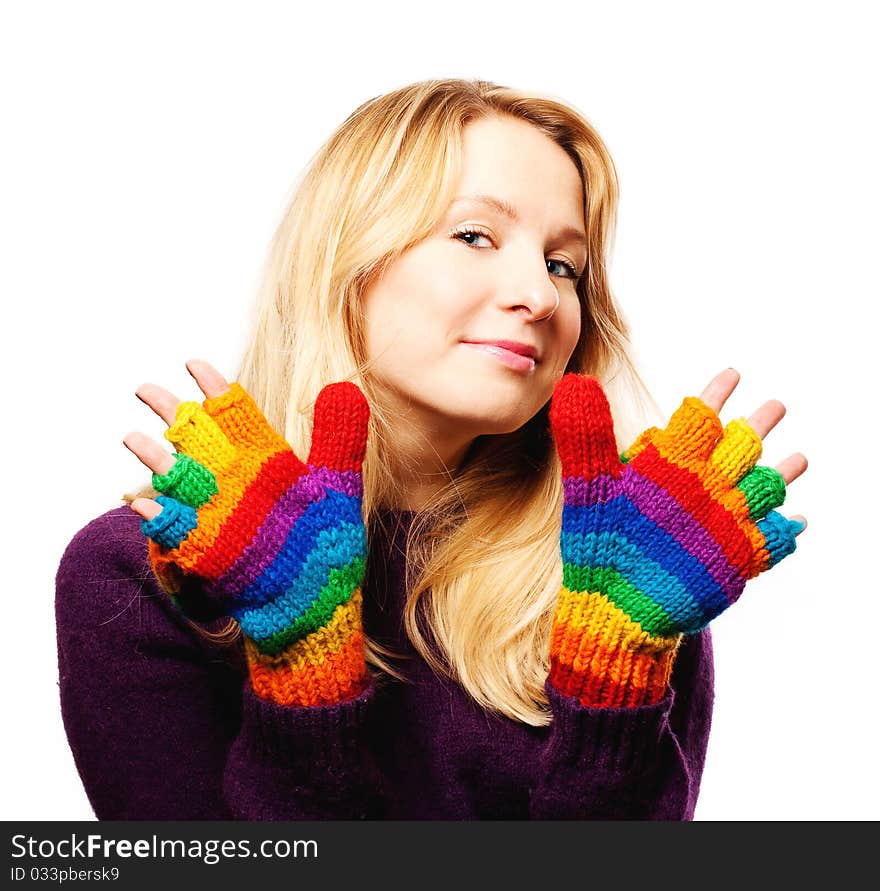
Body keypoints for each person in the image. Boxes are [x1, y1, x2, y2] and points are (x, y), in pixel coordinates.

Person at [54, 78, 808, 820]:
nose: (540, 297)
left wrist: (618, 668)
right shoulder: (138, 574)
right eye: (475, 235)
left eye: (563, 264)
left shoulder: (635, 568)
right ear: (347, 261)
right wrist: (303, 667)